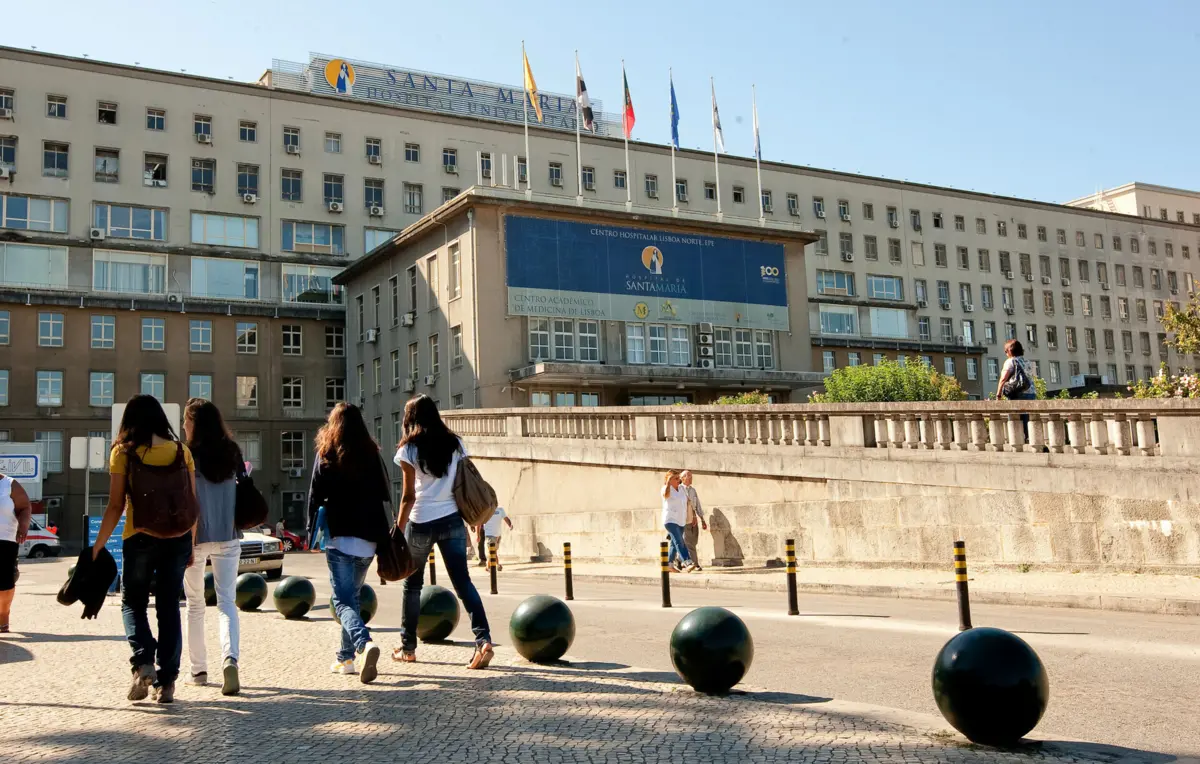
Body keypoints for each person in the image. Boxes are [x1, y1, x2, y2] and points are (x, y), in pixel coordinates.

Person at [91, 395, 198, 704]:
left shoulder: (123, 453)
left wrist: (98, 545)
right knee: (169, 607)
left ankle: (143, 662)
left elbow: (115, 505)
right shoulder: (182, 451)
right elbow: (192, 504)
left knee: (133, 603)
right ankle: (167, 683)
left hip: (139, 538)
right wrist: (190, 544)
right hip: (178, 538)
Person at [392, 394, 494, 669]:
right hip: (451, 520)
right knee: (463, 583)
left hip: (421, 521)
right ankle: (483, 640)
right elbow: (464, 481)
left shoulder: (408, 449)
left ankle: (408, 648)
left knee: (412, 586)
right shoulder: (454, 443)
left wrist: (398, 530)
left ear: (410, 419)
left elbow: (408, 497)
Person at [306, 403, 387, 684]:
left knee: (342, 602)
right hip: (368, 540)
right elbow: (384, 493)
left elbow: (314, 495)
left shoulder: (326, 453)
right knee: (352, 597)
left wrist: (311, 533)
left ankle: (364, 644)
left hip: (339, 538)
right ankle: (346, 658)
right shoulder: (371, 453)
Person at [180, 398, 244, 695]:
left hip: (196, 537)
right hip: (228, 535)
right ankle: (230, 659)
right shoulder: (232, 451)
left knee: (195, 605)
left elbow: (187, 499)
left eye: (186, 421)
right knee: (227, 603)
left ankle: (198, 670)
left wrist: (187, 541)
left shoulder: (187, 455)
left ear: (194, 424)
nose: (183, 426)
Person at [0, 473, 32, 633]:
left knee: (5, 583)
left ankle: (3, 613)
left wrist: (23, 526)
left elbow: (25, 507)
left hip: (5, 539)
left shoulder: (9, 484)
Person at [662, 470, 696, 572]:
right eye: (676, 478)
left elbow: (688, 502)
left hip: (681, 520)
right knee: (679, 541)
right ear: (670, 480)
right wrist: (668, 483)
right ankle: (687, 562)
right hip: (670, 520)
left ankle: (669, 564)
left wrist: (693, 515)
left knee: (674, 543)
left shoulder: (681, 488)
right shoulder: (665, 489)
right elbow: (665, 495)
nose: (678, 480)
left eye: (678, 478)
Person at [680, 470, 708, 572]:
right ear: (683, 478)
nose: (691, 478)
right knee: (689, 543)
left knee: (694, 541)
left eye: (691, 476)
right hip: (684, 520)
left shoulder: (693, 490)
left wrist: (702, 519)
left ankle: (679, 560)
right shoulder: (679, 489)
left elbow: (697, 505)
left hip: (694, 519)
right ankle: (695, 564)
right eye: (689, 476)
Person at [481, 506, 513, 571]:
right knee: (492, 551)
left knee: (494, 551)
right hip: (489, 534)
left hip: (498, 535)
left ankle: (490, 566)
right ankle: (492, 566)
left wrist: (510, 525)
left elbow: (506, 518)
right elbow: (480, 522)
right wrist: (478, 535)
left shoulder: (500, 510)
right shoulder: (485, 509)